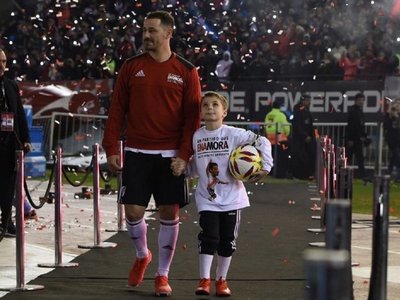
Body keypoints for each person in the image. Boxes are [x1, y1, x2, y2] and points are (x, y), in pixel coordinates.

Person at [102, 11, 201, 297]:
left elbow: (191, 120)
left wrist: (184, 154)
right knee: (132, 211)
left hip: (170, 155)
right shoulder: (131, 67)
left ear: (168, 33)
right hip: (136, 151)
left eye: (152, 31)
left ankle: (162, 274)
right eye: (144, 30)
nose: (146, 35)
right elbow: (117, 110)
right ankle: (142, 254)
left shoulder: (186, 70)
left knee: (168, 211)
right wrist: (111, 147)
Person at [187, 91, 273, 297]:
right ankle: (204, 280)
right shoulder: (196, 136)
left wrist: (266, 167)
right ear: (200, 112)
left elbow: (263, 142)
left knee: (227, 241)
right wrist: (183, 169)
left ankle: (222, 280)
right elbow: (196, 166)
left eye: (215, 104)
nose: (210, 107)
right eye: (205, 105)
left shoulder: (233, 134)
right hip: (207, 199)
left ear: (224, 111)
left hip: (233, 199)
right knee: (209, 237)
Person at [0, 48, 32, 237]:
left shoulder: (11, 85)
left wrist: (26, 139)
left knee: (9, 186)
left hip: (10, 145)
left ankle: (6, 222)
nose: (2, 66)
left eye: (4, 62)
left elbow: (19, 114)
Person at [291, 94, 316, 180]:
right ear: (303, 100)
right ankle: (297, 175)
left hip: (307, 138)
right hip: (300, 139)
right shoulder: (298, 110)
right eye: (307, 100)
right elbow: (297, 125)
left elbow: (309, 125)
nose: (309, 102)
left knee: (308, 156)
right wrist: (305, 136)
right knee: (300, 157)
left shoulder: (306, 110)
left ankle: (306, 175)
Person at [264, 100, 291, 178]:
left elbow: (266, 126)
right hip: (279, 138)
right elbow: (286, 126)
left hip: (269, 138)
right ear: (279, 107)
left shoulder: (268, 115)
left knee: (270, 156)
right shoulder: (281, 115)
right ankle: (279, 173)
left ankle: (270, 172)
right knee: (280, 157)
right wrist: (287, 133)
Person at [345, 93, 369, 179]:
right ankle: (344, 174)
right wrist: (350, 139)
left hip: (357, 139)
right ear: (356, 101)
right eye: (360, 100)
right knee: (350, 158)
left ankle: (362, 175)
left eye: (362, 100)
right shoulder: (354, 111)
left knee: (357, 158)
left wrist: (364, 136)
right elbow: (351, 126)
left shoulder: (359, 111)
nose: (361, 102)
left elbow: (360, 126)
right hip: (353, 139)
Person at [383, 98, 400, 180]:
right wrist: (390, 111)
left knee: (394, 158)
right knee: (397, 156)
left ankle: (388, 173)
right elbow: (385, 125)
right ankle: (397, 177)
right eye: (397, 104)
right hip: (392, 140)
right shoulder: (389, 115)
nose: (398, 106)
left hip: (398, 139)